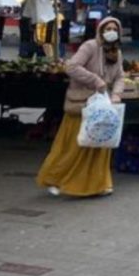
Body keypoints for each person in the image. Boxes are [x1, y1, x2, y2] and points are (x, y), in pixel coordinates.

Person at [36, 17, 125, 198]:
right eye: (107, 28)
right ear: (100, 30)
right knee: (73, 148)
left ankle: (98, 184)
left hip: (102, 107)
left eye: (114, 28)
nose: (111, 31)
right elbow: (72, 67)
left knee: (100, 145)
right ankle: (57, 178)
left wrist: (116, 94)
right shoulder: (90, 46)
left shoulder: (116, 53)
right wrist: (95, 80)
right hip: (82, 105)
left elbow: (120, 76)